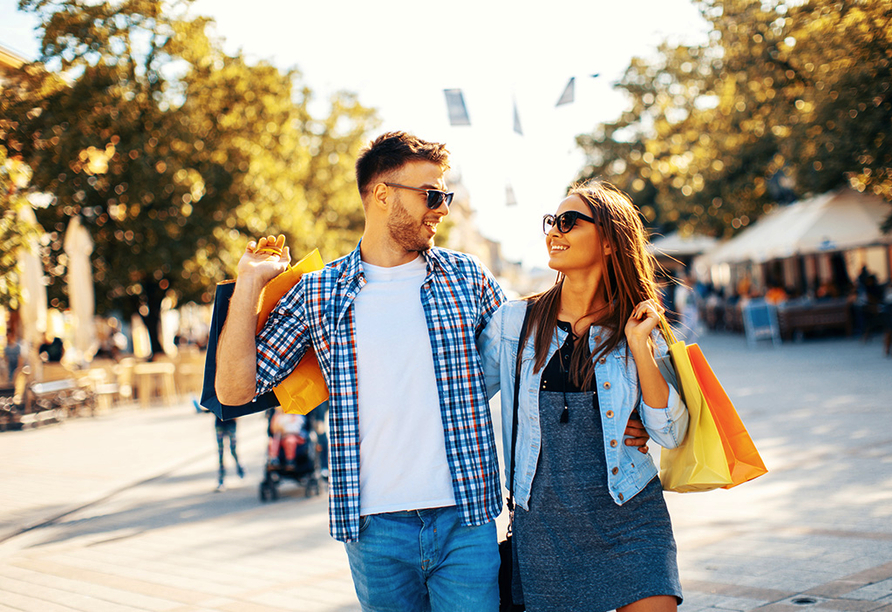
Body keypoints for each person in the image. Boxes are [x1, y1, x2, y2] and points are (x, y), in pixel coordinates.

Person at [214, 132, 649, 611]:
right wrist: (250, 283)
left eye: (446, 196)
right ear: (383, 194)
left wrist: (617, 413)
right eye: (433, 195)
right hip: (372, 528)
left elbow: (536, 353)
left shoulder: (467, 277)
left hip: (467, 520)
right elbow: (234, 391)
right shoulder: (319, 292)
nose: (442, 208)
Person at [478, 180, 689, 612]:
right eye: (552, 222)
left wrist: (640, 349)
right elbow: (461, 398)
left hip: (629, 511)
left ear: (610, 240)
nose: (555, 231)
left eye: (569, 221)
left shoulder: (638, 324)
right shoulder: (513, 323)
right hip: (545, 527)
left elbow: (669, 432)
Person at [214, 415, 245, 492]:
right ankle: (221, 479)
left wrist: (236, 417)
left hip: (231, 423)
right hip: (220, 424)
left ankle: (239, 467)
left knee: (233, 449)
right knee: (221, 452)